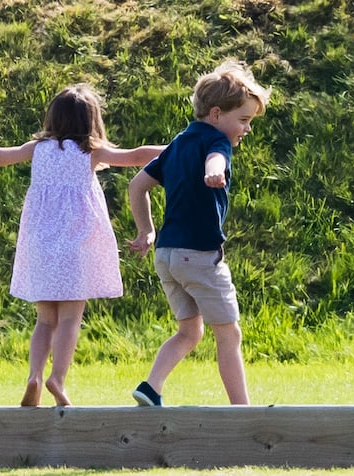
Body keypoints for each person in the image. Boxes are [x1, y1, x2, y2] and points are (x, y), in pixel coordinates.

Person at [0, 84, 165, 407]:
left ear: (53, 118)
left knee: (45, 319)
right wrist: (183, 145)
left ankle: (33, 375)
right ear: (92, 121)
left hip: (41, 244)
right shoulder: (92, 151)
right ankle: (56, 379)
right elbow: (137, 156)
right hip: (76, 246)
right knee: (71, 318)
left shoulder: (38, 149)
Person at [126, 60, 271, 406]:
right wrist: (214, 172)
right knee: (229, 333)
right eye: (244, 120)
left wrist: (146, 230)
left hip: (167, 255)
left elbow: (137, 185)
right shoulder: (216, 141)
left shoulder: (178, 143)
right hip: (200, 257)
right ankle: (242, 409)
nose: (246, 129)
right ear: (217, 114)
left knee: (190, 331)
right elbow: (216, 160)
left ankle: (151, 387)